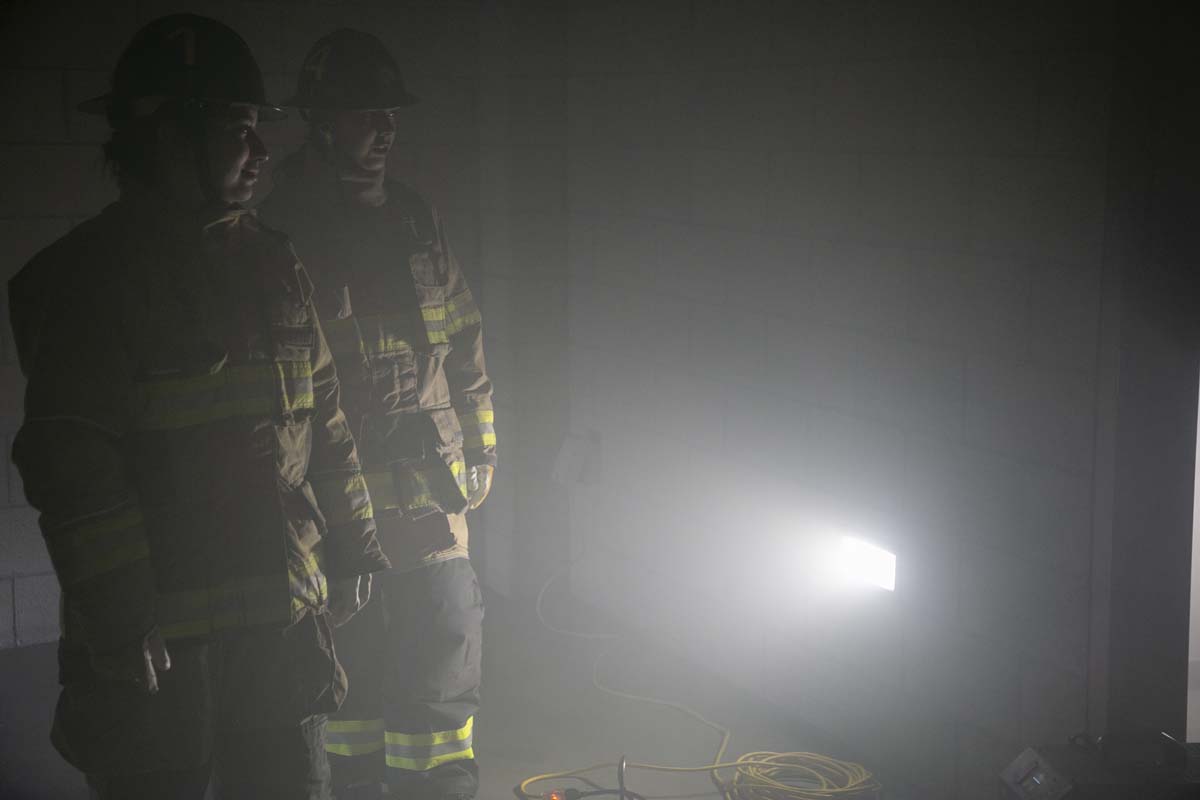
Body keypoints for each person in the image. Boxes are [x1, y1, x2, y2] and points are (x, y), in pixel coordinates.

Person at [7, 15, 390, 799]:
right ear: (168, 139)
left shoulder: (275, 263)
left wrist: (355, 543)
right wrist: (120, 615)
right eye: (238, 130)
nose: (260, 152)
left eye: (260, 131)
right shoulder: (87, 279)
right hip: (161, 653)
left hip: (278, 634)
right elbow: (73, 469)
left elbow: (325, 419)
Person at [258, 28, 496, 800]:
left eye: (390, 112)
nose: (387, 129)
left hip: (432, 511)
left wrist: (484, 454)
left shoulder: (413, 219)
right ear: (321, 123)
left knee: (441, 678)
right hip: (341, 521)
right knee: (349, 695)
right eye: (367, 113)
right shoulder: (279, 226)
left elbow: (463, 338)